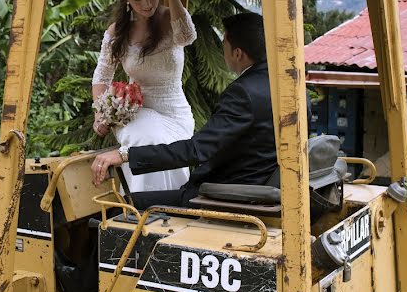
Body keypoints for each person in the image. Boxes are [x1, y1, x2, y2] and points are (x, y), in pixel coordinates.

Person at [91, 12, 276, 210]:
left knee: (124, 208)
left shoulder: (242, 93)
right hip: (259, 185)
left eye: (224, 44)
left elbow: (198, 150)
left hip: (230, 194)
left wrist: (125, 155)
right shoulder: (285, 87)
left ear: (238, 53)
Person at [92, 0, 197, 193]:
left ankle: (172, 205)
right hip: (134, 112)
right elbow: (102, 76)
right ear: (127, 1)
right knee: (148, 137)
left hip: (175, 113)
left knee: (169, 147)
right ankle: (142, 208)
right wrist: (100, 114)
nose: (147, 4)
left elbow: (188, 36)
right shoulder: (118, 31)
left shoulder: (171, 17)